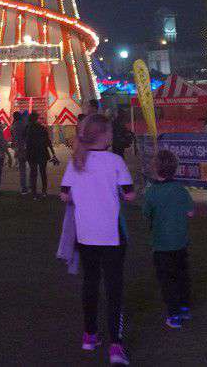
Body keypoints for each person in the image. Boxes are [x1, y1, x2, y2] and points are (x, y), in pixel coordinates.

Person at [60, 113, 134, 365]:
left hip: (85, 234)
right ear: (103, 135)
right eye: (110, 131)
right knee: (114, 288)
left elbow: (64, 195)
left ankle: (89, 335)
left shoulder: (76, 162)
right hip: (111, 234)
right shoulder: (115, 161)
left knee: (90, 283)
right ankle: (116, 345)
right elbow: (129, 194)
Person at [143, 149, 195, 328]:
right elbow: (190, 212)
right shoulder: (180, 189)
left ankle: (174, 315)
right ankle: (184, 307)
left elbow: (146, 213)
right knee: (182, 275)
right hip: (180, 242)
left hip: (161, 244)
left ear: (155, 169)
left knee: (167, 279)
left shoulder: (151, 192)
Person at [25, 111, 57, 199]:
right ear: (36, 119)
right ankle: (44, 191)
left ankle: (34, 193)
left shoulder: (27, 129)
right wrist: (53, 153)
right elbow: (48, 141)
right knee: (43, 173)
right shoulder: (42, 128)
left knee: (33, 173)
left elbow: (26, 142)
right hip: (42, 152)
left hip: (31, 153)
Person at [10, 111, 29, 195]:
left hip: (19, 148)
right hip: (26, 148)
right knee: (31, 167)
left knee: (22, 169)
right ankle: (30, 185)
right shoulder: (24, 124)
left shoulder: (13, 126)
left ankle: (23, 187)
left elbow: (14, 138)